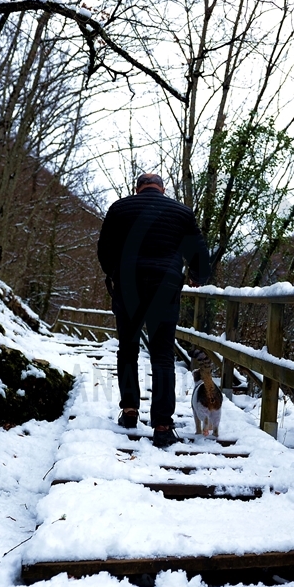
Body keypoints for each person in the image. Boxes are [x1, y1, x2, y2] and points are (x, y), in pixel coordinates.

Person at [97, 173, 210, 447]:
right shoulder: (181, 212)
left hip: (129, 285)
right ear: (162, 189)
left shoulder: (120, 208)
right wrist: (197, 276)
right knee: (162, 354)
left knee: (128, 348)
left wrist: (115, 273)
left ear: (137, 189)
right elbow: (198, 251)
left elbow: (104, 249)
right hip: (165, 285)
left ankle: (129, 411)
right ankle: (161, 426)